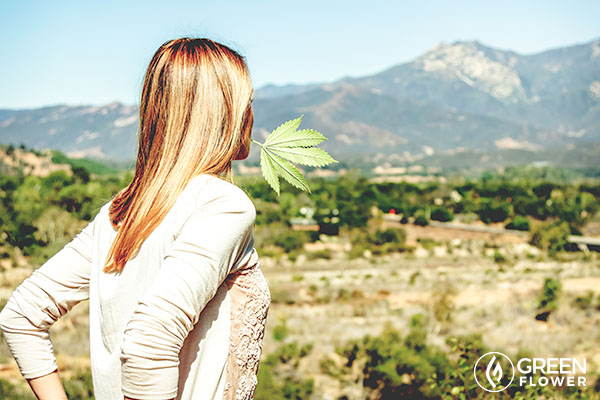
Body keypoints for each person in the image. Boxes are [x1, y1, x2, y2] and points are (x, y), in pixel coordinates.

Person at [0, 37, 271, 400]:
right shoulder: (224, 205)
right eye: (246, 103)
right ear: (224, 114)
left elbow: (21, 315)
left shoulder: (121, 212)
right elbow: (150, 340)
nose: (251, 116)